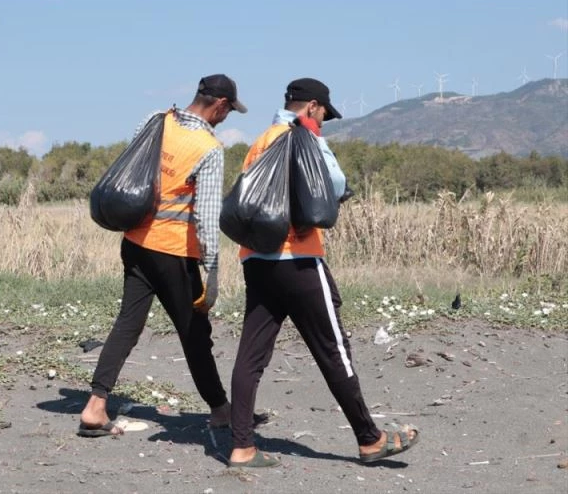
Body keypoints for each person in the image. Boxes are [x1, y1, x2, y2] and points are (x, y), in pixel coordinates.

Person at [227, 78, 420, 467]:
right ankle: (370, 439)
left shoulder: (262, 139)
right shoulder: (305, 136)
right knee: (334, 350)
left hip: (257, 261)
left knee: (250, 356)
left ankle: (242, 446)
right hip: (298, 260)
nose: (325, 122)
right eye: (324, 115)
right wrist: (320, 144)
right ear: (312, 106)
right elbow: (334, 185)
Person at [78, 74, 248, 437]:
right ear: (219, 104)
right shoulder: (208, 148)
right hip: (173, 252)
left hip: (135, 242)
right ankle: (221, 410)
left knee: (128, 323)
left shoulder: (156, 120)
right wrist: (213, 271)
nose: (226, 118)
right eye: (228, 111)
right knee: (194, 332)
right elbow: (204, 217)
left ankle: (95, 405)